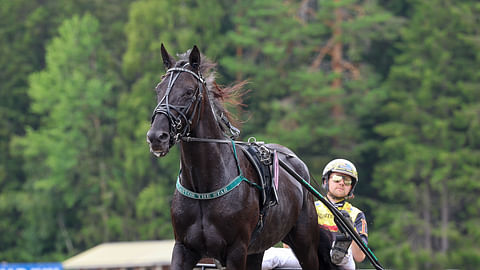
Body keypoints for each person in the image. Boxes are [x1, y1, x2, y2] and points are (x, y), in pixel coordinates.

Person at [261, 159, 368, 270]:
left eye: (347, 181)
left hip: (342, 262)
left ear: (351, 187)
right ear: (326, 181)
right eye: (337, 178)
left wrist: (351, 231)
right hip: (308, 256)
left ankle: (340, 248)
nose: (341, 183)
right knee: (269, 256)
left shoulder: (356, 214)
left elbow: (359, 256)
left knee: (343, 253)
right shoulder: (309, 208)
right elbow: (288, 246)